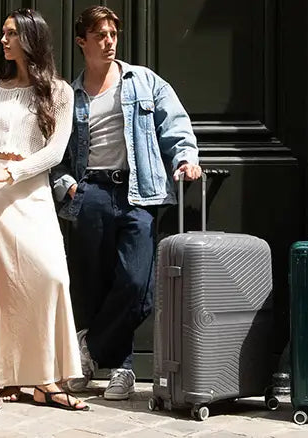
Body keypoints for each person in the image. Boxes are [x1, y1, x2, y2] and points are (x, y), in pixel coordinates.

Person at [51, 5, 202, 400]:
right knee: (93, 284)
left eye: (112, 35)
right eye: (99, 35)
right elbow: (54, 150)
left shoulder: (144, 82)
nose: (109, 42)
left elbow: (174, 123)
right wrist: (68, 187)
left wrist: (185, 157)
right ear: (82, 41)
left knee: (136, 284)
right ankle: (123, 369)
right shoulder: (71, 94)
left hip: (139, 193)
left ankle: (88, 352)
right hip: (91, 193)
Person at [0, 8, 88, 411]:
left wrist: (13, 173)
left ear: (31, 38)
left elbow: (56, 150)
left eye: (11, 33)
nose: (3, 40)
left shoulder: (59, 91)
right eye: (3, 33)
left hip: (27, 189)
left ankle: (46, 378)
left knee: (49, 276)